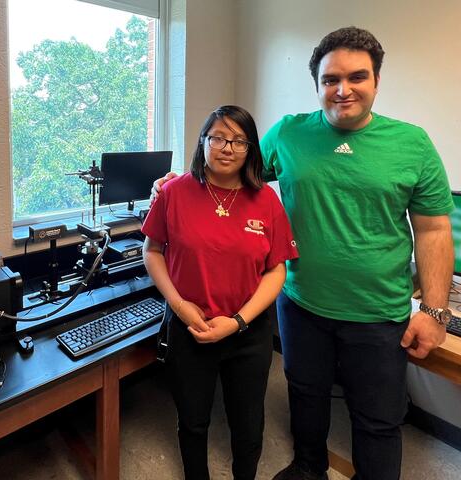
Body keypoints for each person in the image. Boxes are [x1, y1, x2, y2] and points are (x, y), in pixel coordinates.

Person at [152, 27, 454, 480]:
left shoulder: (412, 144)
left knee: (377, 419)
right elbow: (236, 172)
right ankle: (309, 468)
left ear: (376, 81)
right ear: (317, 84)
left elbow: (432, 229)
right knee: (305, 396)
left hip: (378, 313)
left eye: (357, 77)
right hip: (301, 306)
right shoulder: (289, 134)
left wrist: (434, 310)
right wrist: (181, 181)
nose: (343, 89)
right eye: (331, 79)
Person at [142, 105, 299, 480]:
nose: (227, 148)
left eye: (239, 140)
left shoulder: (266, 201)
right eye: (218, 138)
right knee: (192, 422)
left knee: (248, 427)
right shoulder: (174, 192)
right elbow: (152, 251)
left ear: (251, 149)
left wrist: (239, 320)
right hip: (188, 327)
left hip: (248, 334)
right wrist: (179, 306)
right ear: (203, 142)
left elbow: (277, 269)